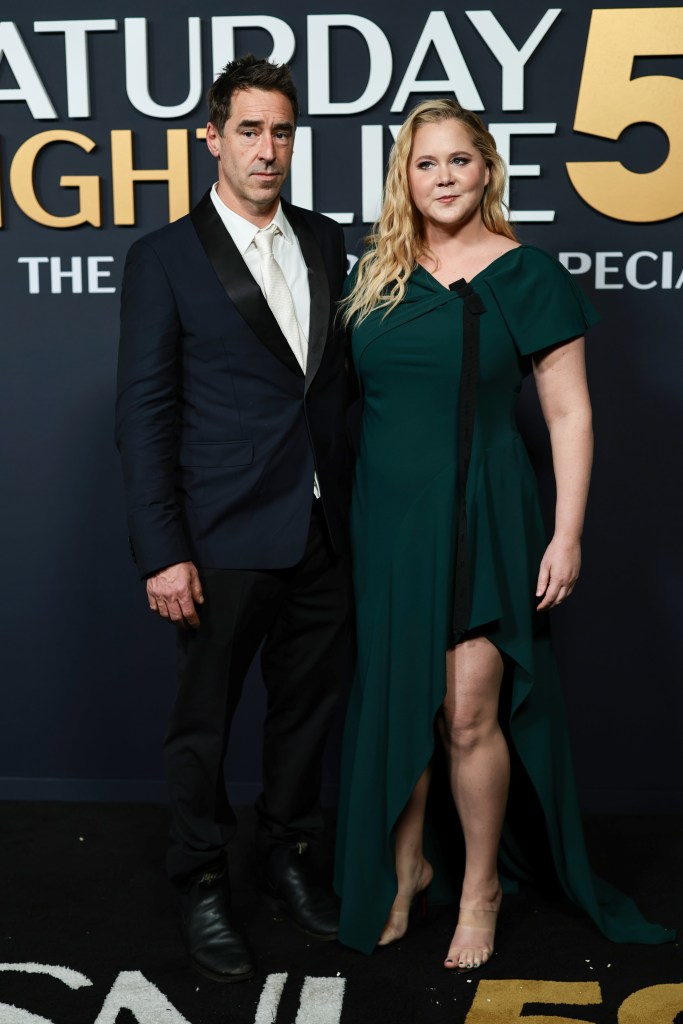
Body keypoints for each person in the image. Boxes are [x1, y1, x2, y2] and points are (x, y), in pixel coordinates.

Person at [333, 98, 673, 966]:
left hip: (485, 518)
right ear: (403, 178)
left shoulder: (527, 275)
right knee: (399, 705)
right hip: (388, 526)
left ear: (486, 167)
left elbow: (568, 414)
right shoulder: (371, 274)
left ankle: (479, 889)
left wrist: (567, 534)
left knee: (467, 713)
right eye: (425, 163)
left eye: (458, 160)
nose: (442, 177)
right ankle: (405, 868)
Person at [115, 55, 353, 984]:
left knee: (306, 713)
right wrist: (162, 551)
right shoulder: (165, 258)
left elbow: (330, 389)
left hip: (325, 529)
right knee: (203, 725)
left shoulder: (326, 238)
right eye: (248, 130)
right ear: (211, 137)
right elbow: (144, 415)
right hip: (217, 539)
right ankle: (203, 878)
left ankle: (288, 859)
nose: (267, 149)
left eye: (281, 132)